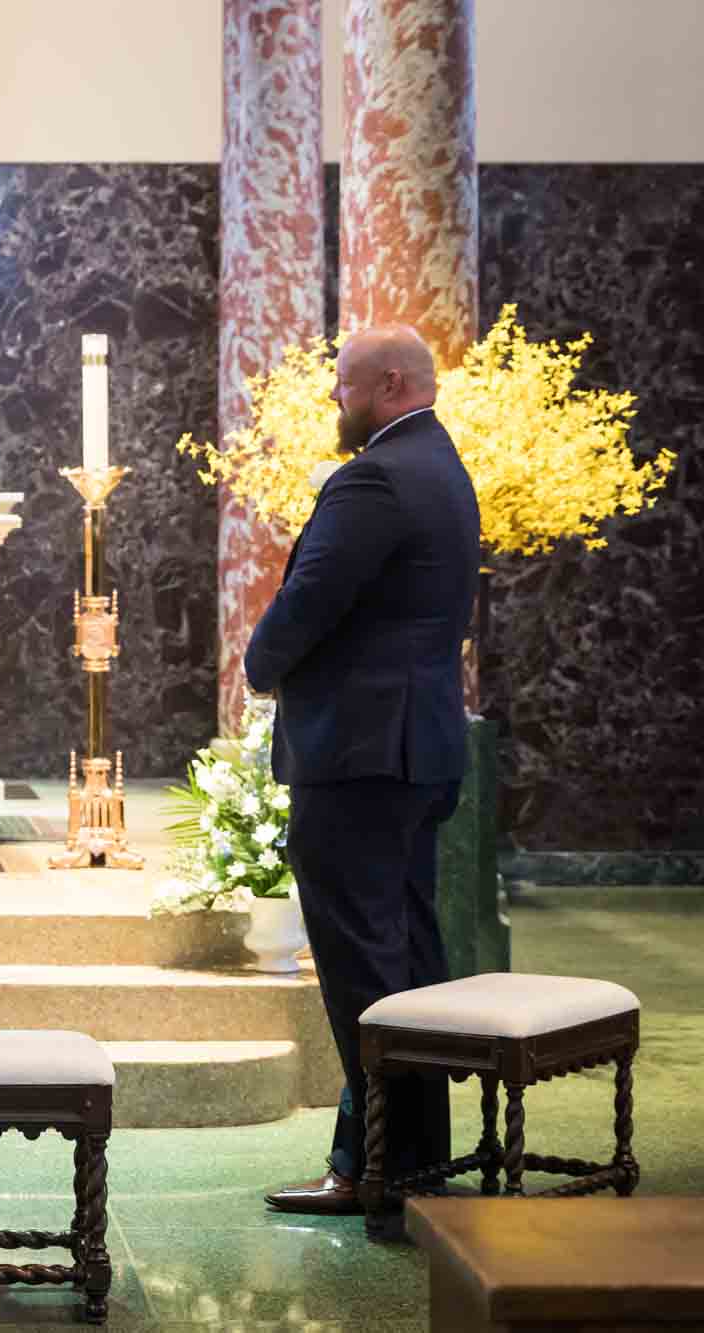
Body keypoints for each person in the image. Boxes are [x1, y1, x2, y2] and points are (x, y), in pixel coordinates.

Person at [245, 325, 481, 1219]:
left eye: (343, 387)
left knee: (362, 971)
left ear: (388, 383)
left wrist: (258, 665)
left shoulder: (375, 475)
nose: (333, 402)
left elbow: (311, 595)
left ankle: (374, 1168)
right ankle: (411, 1156)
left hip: (357, 756)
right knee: (408, 959)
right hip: (415, 750)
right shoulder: (443, 466)